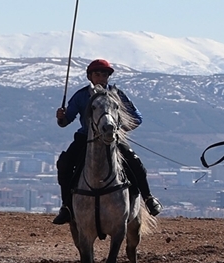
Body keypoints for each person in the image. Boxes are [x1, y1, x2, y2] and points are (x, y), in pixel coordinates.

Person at [52, 58, 163, 225]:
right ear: (90, 76)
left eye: (104, 74)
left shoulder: (117, 95)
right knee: (65, 163)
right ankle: (67, 206)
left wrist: (118, 130)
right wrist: (61, 117)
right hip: (85, 138)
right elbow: (65, 121)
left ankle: (148, 198)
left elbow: (137, 117)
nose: (101, 78)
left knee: (134, 162)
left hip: (112, 138)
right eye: (97, 74)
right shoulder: (81, 96)